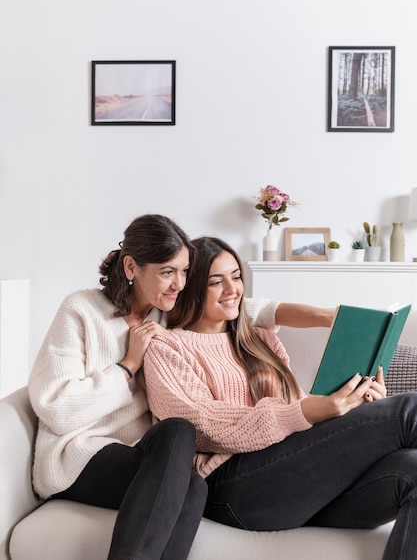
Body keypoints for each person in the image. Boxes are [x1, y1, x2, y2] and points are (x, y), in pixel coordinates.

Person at [28, 214, 333, 560]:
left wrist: (327, 316)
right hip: (79, 455)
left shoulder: (167, 312)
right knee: (179, 440)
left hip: (145, 455)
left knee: (191, 480)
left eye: (185, 271)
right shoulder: (81, 310)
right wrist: (128, 366)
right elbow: (57, 408)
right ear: (131, 267)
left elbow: (251, 308)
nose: (179, 284)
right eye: (167, 272)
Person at [144, 235, 417, 560]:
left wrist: (358, 405)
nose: (233, 290)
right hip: (231, 486)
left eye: (236, 277)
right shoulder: (167, 347)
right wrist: (304, 412)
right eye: (216, 282)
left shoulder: (260, 339)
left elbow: (297, 412)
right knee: (408, 409)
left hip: (291, 481)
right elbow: (200, 424)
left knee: (412, 468)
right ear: (190, 287)